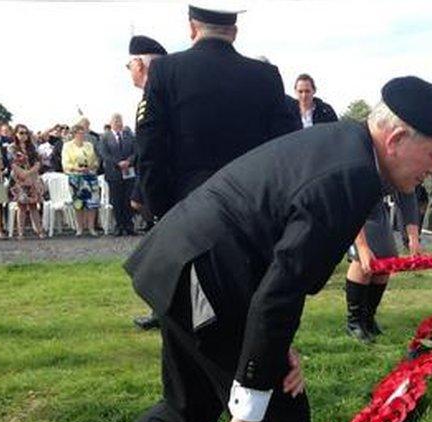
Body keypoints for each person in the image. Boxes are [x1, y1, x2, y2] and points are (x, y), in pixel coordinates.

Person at [47, 75, 432, 422]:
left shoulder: (349, 148)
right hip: (203, 275)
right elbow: (280, 289)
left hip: (189, 263)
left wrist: (275, 347)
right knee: (279, 421)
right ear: (396, 139)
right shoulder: (351, 175)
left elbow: (280, 270)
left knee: (187, 407)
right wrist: (250, 398)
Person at [136, 5, 298, 219]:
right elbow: (283, 149)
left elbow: (150, 146)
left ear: (192, 28)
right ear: (234, 32)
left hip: (187, 209)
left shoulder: (165, 71)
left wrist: (160, 209)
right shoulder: (266, 76)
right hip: (252, 211)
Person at [345, 114, 423, 342]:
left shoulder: (403, 161)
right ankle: (354, 322)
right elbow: (351, 205)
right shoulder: (361, 155)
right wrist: (361, 246)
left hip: (375, 204)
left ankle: (369, 317)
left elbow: (407, 196)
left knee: (387, 257)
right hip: (350, 204)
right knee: (364, 260)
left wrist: (413, 238)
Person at [127, 34, 167, 331]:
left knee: (164, 254)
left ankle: (165, 312)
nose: (129, 70)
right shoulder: (159, 94)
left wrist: (150, 199)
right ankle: (162, 310)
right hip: (160, 188)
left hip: (165, 192)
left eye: (130, 64)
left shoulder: (155, 97)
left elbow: (152, 153)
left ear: (140, 64)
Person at [98, 114, 137, 236]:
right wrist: (118, 163)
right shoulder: (105, 137)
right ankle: (119, 226)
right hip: (114, 173)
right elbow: (104, 154)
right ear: (111, 123)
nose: (118, 123)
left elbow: (136, 151)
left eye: (120, 121)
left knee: (128, 199)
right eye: (116, 121)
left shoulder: (129, 136)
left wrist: (128, 161)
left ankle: (129, 225)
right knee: (116, 200)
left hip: (128, 172)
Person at [62, 125, 101, 236]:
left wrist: (92, 166)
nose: (82, 135)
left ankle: (91, 227)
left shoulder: (89, 145)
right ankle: (79, 228)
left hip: (90, 176)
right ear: (74, 134)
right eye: (80, 133)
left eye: (83, 133)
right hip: (76, 177)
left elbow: (95, 160)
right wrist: (76, 168)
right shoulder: (67, 146)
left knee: (92, 203)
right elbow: (65, 163)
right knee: (78, 203)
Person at [8, 125, 46, 238]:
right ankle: (20, 232)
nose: (23, 135)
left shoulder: (32, 147)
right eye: (21, 133)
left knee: (34, 205)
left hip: (33, 178)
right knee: (22, 206)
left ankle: (39, 230)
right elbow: (12, 163)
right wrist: (23, 174)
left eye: (25, 133)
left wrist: (30, 173)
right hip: (19, 180)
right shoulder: (12, 148)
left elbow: (38, 162)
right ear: (15, 134)